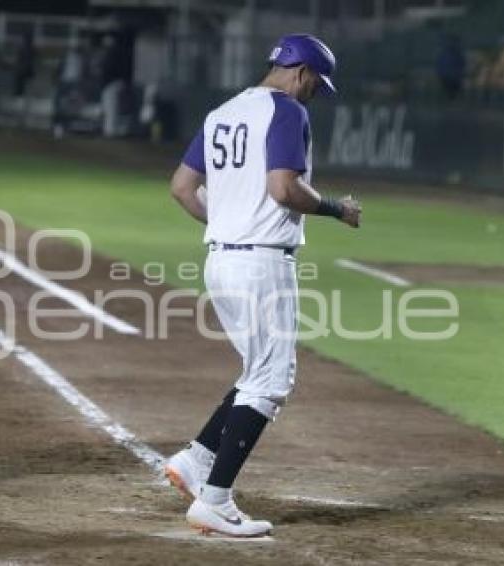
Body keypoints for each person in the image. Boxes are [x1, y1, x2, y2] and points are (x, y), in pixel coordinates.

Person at [166, 34, 361, 537]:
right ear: (300, 72)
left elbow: (182, 188)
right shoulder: (288, 112)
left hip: (221, 260)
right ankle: (215, 500)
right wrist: (336, 208)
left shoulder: (221, 113)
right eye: (316, 83)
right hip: (260, 265)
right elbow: (284, 188)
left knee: (258, 369)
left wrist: (228, 221)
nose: (315, 92)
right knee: (272, 380)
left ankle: (196, 461)